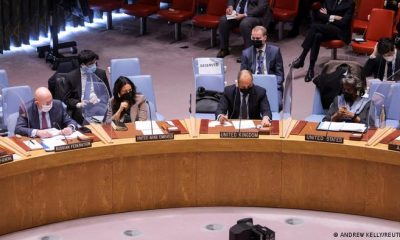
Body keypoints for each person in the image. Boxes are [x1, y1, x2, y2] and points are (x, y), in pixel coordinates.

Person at [291, 0, 355, 82]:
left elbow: (343, 22)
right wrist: (333, 17)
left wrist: (327, 16)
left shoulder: (350, 3)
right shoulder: (329, 1)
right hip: (327, 29)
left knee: (314, 27)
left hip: (340, 32)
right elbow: (319, 15)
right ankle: (311, 68)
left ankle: (302, 58)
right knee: (317, 36)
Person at [240, 26, 284, 107]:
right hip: (253, 85)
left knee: (278, 104)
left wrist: (274, 86)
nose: (255, 40)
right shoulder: (246, 53)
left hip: (271, 84)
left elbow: (280, 75)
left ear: (265, 38)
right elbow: (243, 74)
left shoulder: (275, 51)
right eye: (253, 38)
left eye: (258, 38)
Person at [64, 49, 111, 124]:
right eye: (91, 63)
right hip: (81, 106)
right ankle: (89, 129)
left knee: (101, 112)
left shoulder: (101, 73)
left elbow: (107, 94)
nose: (94, 65)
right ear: (82, 65)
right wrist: (79, 104)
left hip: (97, 104)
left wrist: (98, 99)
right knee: (85, 116)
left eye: (95, 62)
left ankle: (96, 128)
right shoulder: (71, 77)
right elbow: (66, 99)